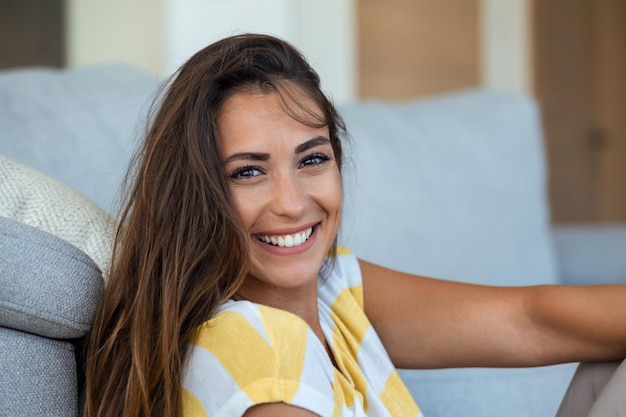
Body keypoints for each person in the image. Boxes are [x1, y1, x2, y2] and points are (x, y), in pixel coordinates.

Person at [84, 33, 626, 417]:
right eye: (248, 172)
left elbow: (533, 320)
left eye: (312, 159)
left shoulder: (330, 291)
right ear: (197, 193)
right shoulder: (257, 351)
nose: (292, 204)